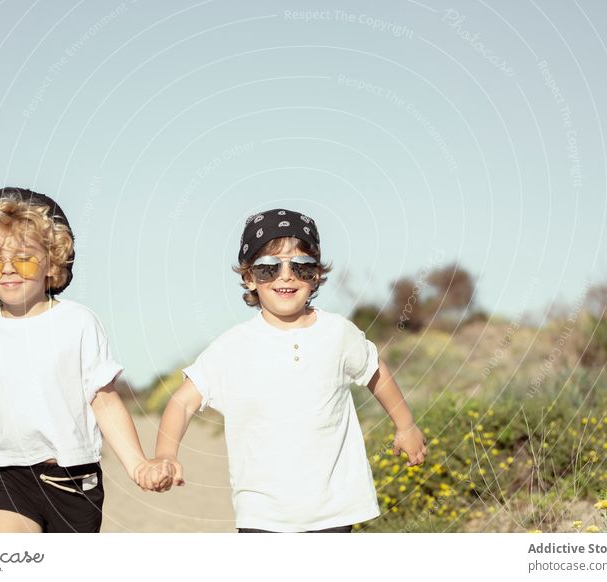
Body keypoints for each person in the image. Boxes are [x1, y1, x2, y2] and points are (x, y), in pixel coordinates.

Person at [155, 208, 427, 532]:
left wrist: (406, 425)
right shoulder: (232, 347)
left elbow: (374, 370)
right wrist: (165, 455)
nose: (286, 276)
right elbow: (183, 402)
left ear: (315, 276)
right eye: (269, 268)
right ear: (249, 277)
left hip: (334, 509)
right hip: (262, 514)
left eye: (300, 266)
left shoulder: (337, 333)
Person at [0, 187, 171, 533]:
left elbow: (103, 401)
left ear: (52, 261)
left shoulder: (78, 322)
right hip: (9, 474)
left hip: (72, 480)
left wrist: (137, 463)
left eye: (24, 258)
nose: (8, 270)